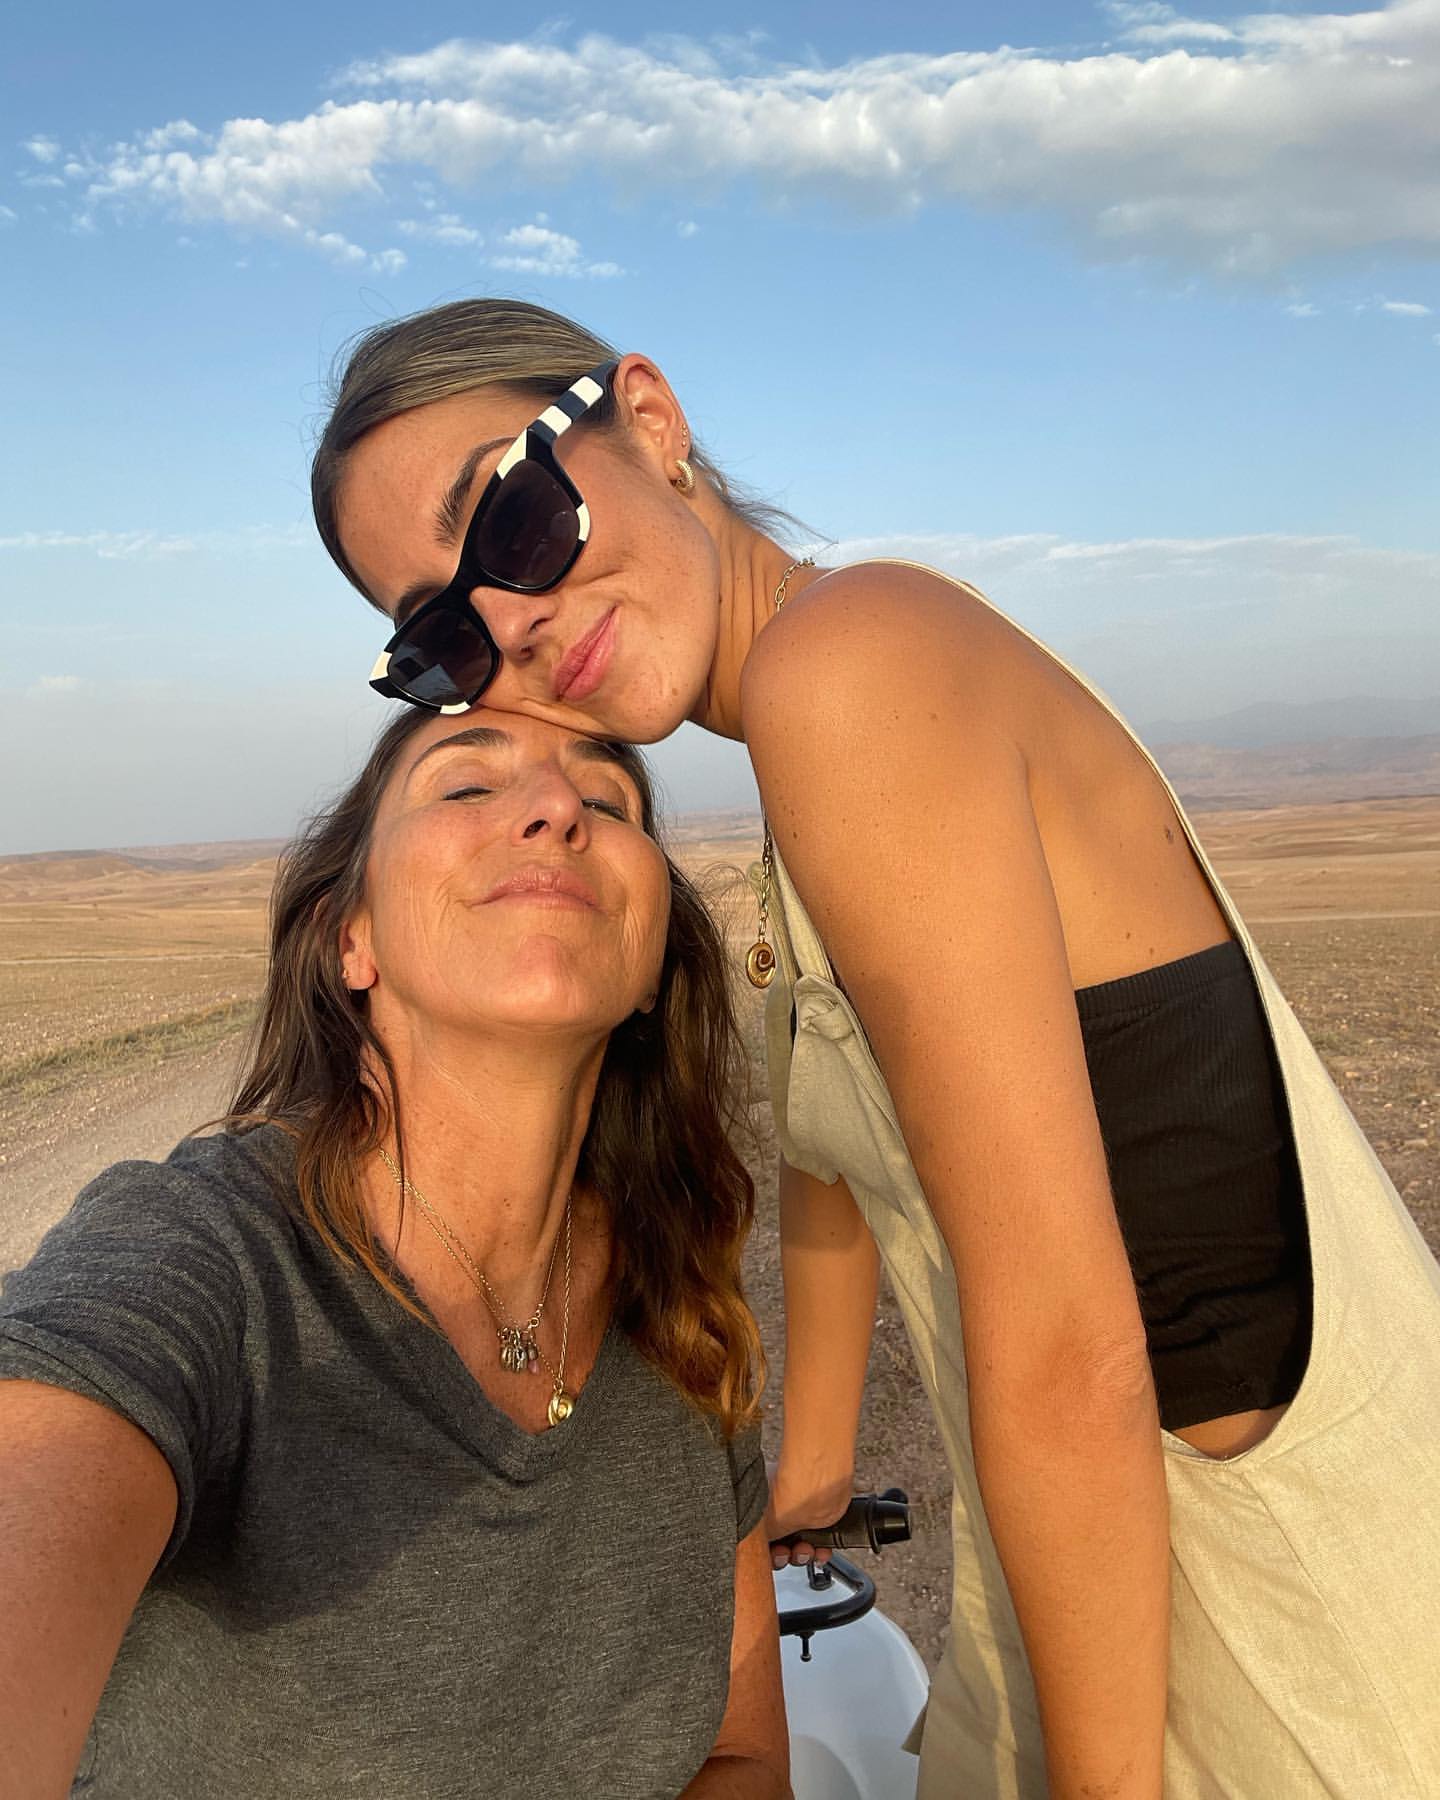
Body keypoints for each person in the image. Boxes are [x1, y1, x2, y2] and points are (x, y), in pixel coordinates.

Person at [308, 297, 1440, 1800]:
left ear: (650, 421)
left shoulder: (847, 672)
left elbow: (1065, 1335)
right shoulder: (819, 722)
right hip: (1132, 1578)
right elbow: (837, 1140)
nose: (510, 621)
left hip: (1281, 1623)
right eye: (444, 631)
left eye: (512, 518)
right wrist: (814, 1467)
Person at [0, 705, 790, 1800]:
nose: (557, 808)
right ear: (351, 940)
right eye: (466, 786)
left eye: (608, 800)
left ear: (653, 961)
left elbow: (744, 1756)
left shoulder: (683, 1297)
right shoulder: (208, 1256)